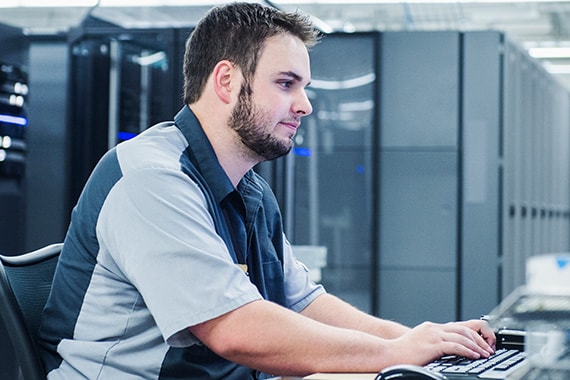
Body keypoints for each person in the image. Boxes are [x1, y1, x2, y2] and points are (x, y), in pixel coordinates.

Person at [38, 2, 496, 379]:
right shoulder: (152, 179)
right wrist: (396, 354)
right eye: (286, 84)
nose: (306, 104)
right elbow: (235, 329)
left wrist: (416, 344)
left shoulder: (248, 189)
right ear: (226, 81)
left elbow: (302, 302)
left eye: (304, 86)